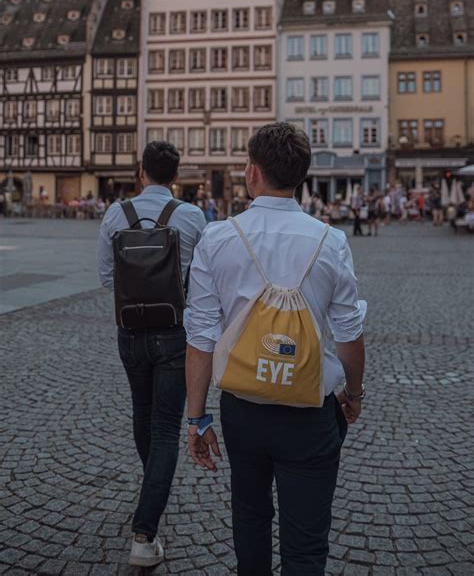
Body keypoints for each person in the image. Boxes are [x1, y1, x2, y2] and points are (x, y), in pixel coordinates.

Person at [185, 122, 365, 576]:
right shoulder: (331, 241)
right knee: (306, 543)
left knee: (250, 518)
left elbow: (201, 336)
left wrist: (197, 417)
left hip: (244, 410)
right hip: (310, 410)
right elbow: (349, 333)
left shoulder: (217, 238)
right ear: (300, 177)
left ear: (251, 172)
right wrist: (354, 394)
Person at [97, 141, 207, 568]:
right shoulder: (193, 216)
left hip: (130, 332)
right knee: (165, 428)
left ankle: (150, 497)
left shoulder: (114, 214)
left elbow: (107, 279)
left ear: (141, 171)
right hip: (174, 333)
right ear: (175, 176)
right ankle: (145, 532)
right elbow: (202, 279)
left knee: (141, 415)